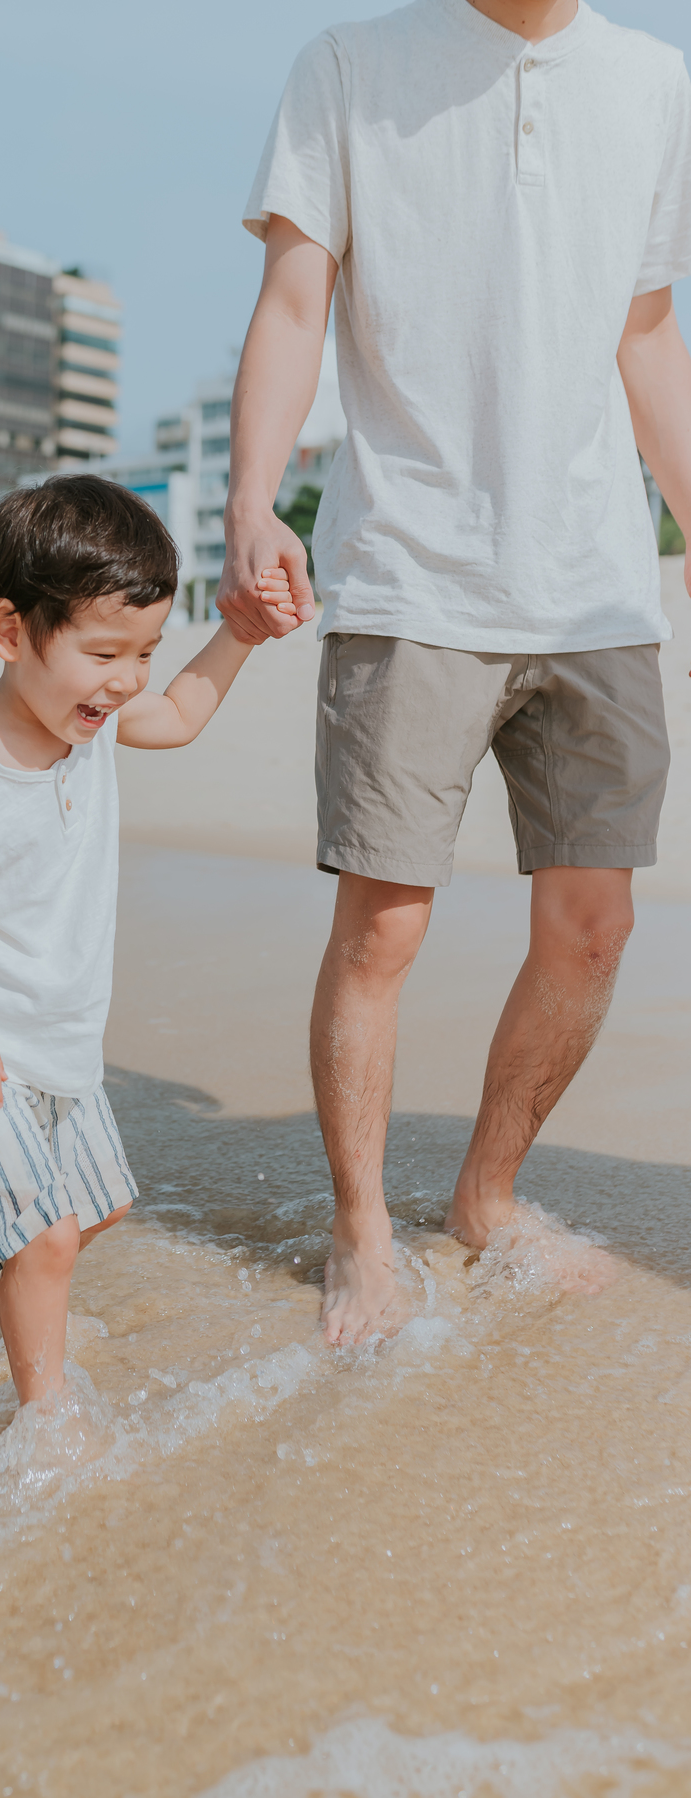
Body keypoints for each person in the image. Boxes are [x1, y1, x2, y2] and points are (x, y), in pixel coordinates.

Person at [219, 0, 691, 1346]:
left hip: (598, 585)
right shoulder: (352, 66)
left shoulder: (656, 82)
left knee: (594, 924)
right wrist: (255, 500)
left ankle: (486, 1195)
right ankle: (360, 1228)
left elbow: (645, 328)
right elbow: (295, 299)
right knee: (385, 926)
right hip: (411, 568)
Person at [0, 476, 289, 1407]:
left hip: (61, 1036)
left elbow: (176, 716)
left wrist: (242, 633)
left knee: (100, 1209)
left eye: (143, 651)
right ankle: (44, 1420)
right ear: (12, 633)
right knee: (48, 1237)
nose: (127, 680)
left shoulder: (88, 720)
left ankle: (9, 1299)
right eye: (104, 652)